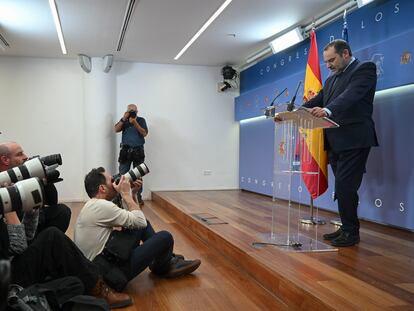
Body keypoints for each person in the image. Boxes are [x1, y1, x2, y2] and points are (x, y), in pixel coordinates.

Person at [300, 39, 378, 247]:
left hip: (355, 139)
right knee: (342, 187)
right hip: (335, 140)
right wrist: (296, 111)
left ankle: (351, 233)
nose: (328, 65)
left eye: (331, 60)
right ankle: (346, 228)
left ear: (345, 54)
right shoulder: (331, 79)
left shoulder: (365, 69)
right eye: (325, 62)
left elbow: (351, 96)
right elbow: (319, 100)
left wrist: (327, 110)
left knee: (345, 187)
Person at [74, 167, 201, 291]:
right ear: (102, 188)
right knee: (165, 237)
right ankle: (164, 267)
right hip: (109, 275)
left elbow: (134, 221)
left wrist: (132, 193)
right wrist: (125, 193)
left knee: (141, 225)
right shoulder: (101, 206)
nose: (115, 182)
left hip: (103, 263)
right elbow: (138, 221)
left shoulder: (94, 205)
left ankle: (166, 261)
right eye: (111, 180)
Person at [0, 142, 71, 234]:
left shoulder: (24, 174)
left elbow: (53, 201)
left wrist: (43, 178)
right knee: (52, 233)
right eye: (19, 154)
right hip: (13, 226)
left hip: (32, 218)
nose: (25, 157)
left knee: (62, 211)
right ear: (5, 160)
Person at [114, 104, 148, 205]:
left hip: (138, 150)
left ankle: (138, 197)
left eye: (134, 111)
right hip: (125, 150)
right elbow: (116, 129)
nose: (132, 112)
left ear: (137, 111)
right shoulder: (124, 120)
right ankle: (120, 197)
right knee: (122, 174)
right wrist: (124, 118)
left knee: (138, 175)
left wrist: (135, 123)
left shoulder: (141, 120)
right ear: (127, 111)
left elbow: (144, 133)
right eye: (130, 111)